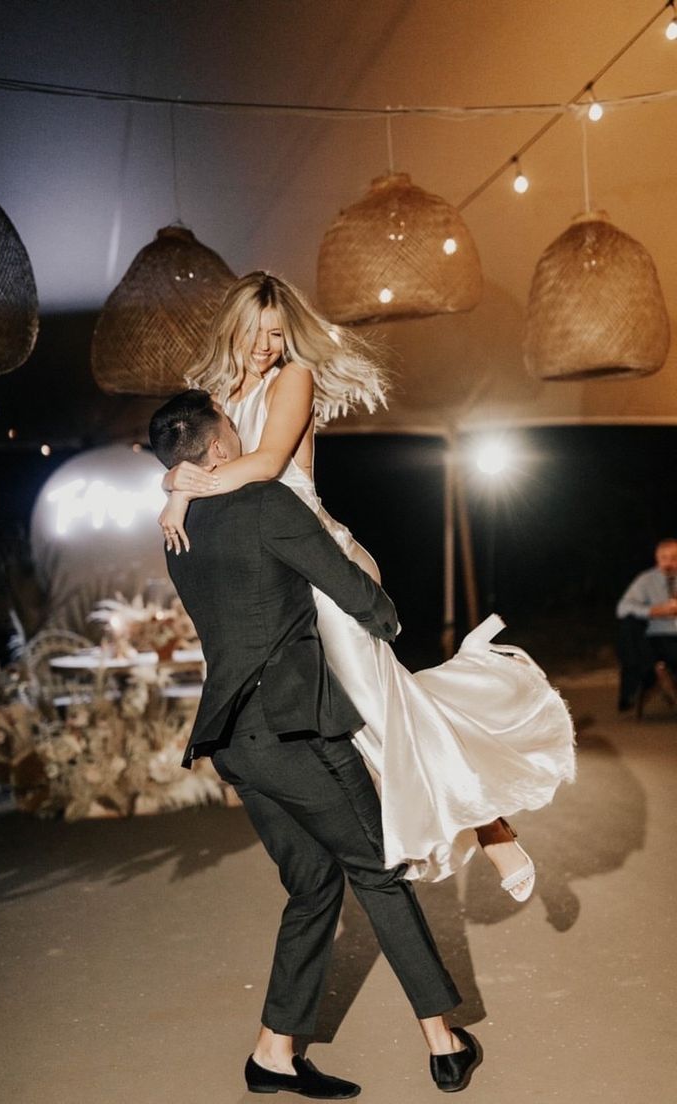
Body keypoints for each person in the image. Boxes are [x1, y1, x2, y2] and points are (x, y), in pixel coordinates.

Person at [159, 271, 575, 892]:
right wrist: (172, 491)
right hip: (273, 569)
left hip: (322, 560)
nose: (267, 346)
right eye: (256, 333)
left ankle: (491, 825)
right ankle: (407, 826)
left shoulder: (293, 378)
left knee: (375, 702)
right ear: (233, 329)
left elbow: (269, 464)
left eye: (278, 333)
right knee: (348, 714)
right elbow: (185, 455)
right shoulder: (212, 394)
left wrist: (184, 487)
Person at [149, 389, 482, 1096]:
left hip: (233, 742)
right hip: (296, 727)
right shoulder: (265, 504)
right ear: (216, 450)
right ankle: (445, 1041)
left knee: (313, 882)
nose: (240, 441)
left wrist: (176, 491)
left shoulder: (178, 532)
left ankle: (273, 1053)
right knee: (377, 868)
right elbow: (348, 587)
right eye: (232, 432)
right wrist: (388, 622)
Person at [617, 538, 677, 709]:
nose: (669, 563)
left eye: (674, 558)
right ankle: (647, 677)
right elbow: (623, 608)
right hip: (658, 636)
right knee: (629, 626)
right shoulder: (646, 580)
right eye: (664, 558)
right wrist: (654, 611)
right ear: (657, 559)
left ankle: (655, 678)